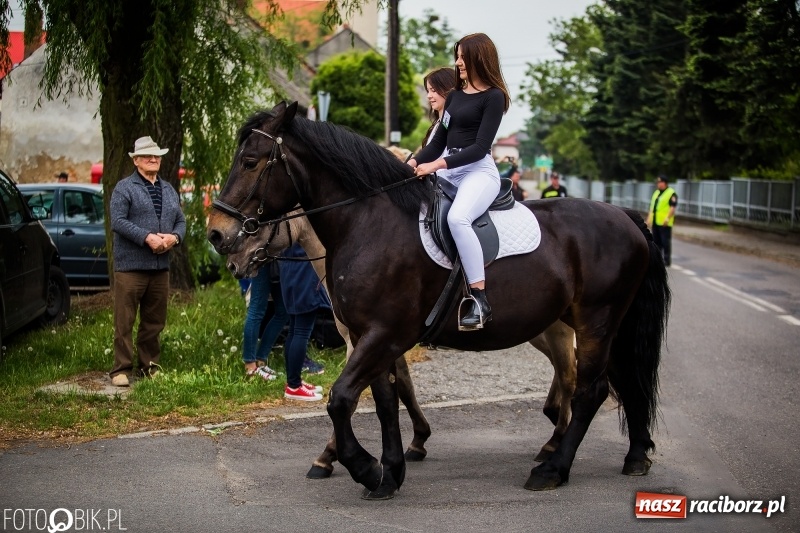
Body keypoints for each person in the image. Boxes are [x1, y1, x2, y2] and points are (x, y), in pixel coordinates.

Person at [407, 33, 510, 330]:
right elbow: (437, 142)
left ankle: (479, 298)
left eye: (463, 56)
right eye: (457, 56)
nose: (458, 62)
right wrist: (411, 164)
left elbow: (479, 148)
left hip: (478, 171)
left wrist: (436, 165)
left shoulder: (494, 97)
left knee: (458, 218)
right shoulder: (454, 97)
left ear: (480, 57)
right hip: (448, 169)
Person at [109, 136, 186, 387]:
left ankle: (149, 366)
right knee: (125, 321)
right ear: (136, 160)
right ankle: (121, 369)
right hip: (131, 267)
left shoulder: (168, 189)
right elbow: (118, 221)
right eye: (147, 156)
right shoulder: (124, 187)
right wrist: (147, 237)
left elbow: (181, 222)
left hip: (159, 268)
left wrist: (175, 237)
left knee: (154, 322)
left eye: (156, 156)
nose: (153, 160)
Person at [279, 242, 331, 401]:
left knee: (295, 330)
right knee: (302, 331)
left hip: (289, 267)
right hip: (303, 269)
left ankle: (293, 382)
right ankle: (294, 387)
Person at [242, 260, 288, 380]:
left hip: (278, 259)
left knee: (283, 312)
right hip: (261, 259)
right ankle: (250, 367)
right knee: (256, 310)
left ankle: (261, 361)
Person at [647, 174, 678, 266]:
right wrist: (649, 218)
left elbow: (672, 208)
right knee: (656, 242)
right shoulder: (656, 193)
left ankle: (667, 260)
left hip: (665, 223)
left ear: (665, 183)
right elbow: (652, 207)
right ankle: (658, 259)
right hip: (656, 222)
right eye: (658, 182)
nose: (658, 184)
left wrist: (667, 218)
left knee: (665, 242)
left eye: (660, 182)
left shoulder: (671, 193)